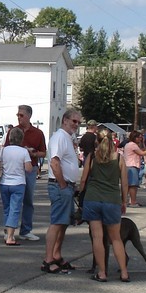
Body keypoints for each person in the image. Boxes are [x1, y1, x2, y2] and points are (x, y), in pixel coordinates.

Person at [79, 129, 130, 282]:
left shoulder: (92, 157)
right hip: (112, 200)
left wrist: (80, 193)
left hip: (93, 199)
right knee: (116, 238)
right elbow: (125, 183)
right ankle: (124, 272)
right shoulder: (119, 158)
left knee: (97, 237)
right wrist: (124, 201)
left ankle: (101, 273)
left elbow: (83, 180)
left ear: (97, 141)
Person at [43, 108, 82, 274]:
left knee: (63, 223)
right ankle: (48, 259)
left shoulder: (67, 138)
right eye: (74, 121)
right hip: (60, 186)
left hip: (67, 185)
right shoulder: (59, 137)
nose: (77, 125)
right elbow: (54, 163)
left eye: (79, 122)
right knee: (57, 222)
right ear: (65, 120)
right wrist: (63, 185)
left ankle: (57, 255)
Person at [7, 104, 48, 241]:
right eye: (18, 115)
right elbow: (6, 148)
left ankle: (26, 230)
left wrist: (33, 153)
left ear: (29, 116)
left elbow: (43, 153)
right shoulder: (13, 131)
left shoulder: (37, 133)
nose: (19, 118)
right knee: (12, 201)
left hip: (30, 168)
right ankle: (9, 230)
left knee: (28, 200)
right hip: (15, 169)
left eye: (21, 115)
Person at [0, 127, 32, 246]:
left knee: (7, 209)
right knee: (15, 209)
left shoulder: (3, 150)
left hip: (4, 182)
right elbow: (28, 169)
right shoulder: (23, 151)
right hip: (18, 183)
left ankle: (7, 232)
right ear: (21, 139)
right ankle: (10, 237)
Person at [122, 131, 146, 208]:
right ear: (135, 137)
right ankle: (133, 202)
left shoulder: (128, 144)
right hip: (132, 166)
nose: (140, 139)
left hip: (128, 165)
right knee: (133, 185)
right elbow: (142, 153)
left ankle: (126, 201)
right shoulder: (133, 145)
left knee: (128, 185)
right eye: (139, 137)